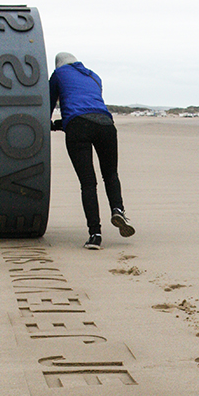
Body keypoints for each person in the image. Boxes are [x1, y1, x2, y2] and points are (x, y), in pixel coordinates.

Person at [49, 52, 135, 249]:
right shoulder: (94, 76)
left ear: (58, 64)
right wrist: (62, 124)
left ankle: (95, 234)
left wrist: (47, 123)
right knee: (111, 174)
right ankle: (118, 209)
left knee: (88, 183)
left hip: (79, 127)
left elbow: (52, 103)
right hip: (106, 125)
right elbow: (89, 109)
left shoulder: (59, 74)